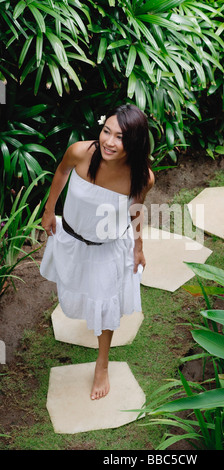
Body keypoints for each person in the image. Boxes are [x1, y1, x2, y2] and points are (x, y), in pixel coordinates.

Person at [40, 104, 154, 400]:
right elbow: (62, 171)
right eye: (107, 132)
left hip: (109, 247)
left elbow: (136, 210)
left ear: (135, 142)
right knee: (77, 289)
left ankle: (101, 365)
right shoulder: (80, 152)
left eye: (120, 137)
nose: (109, 142)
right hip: (73, 238)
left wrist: (138, 246)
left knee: (106, 305)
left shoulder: (141, 177)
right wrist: (50, 209)